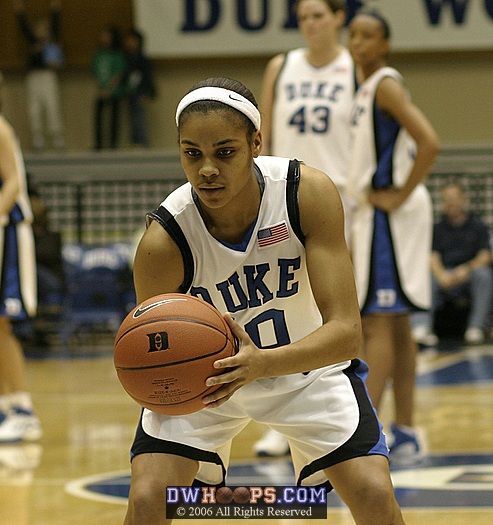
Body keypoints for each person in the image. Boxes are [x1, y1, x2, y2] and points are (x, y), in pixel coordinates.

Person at [124, 76, 406, 525]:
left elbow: (347, 335)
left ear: (257, 143)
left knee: (373, 494)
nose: (207, 169)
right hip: (208, 384)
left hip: (305, 370)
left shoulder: (305, 194)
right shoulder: (165, 240)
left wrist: (260, 364)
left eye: (225, 152)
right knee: (149, 499)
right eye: (192, 153)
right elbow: (155, 350)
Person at [254, 0, 357, 457]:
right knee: (286, 304)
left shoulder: (356, 68)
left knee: (342, 314)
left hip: (341, 203)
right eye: (303, 18)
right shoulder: (282, 65)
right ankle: (282, 417)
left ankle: (345, 408)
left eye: (318, 15)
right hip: (284, 201)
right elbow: (263, 137)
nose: (310, 24)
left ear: (339, 17)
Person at [347, 11, 440, 465]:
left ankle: (365, 431)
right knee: (398, 325)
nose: (358, 43)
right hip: (388, 211)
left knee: (377, 322)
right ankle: (406, 428)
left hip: (390, 211)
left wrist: (400, 194)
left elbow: (430, 141)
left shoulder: (384, 83)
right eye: (354, 35)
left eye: (368, 36)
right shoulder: (367, 87)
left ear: (385, 44)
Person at [0, 72, 41, 443]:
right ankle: (4, 404)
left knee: (3, 323)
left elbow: (12, 182)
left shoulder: (0, 127)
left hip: (7, 233)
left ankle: (23, 409)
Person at [413, 183, 493, 346]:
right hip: (445, 274)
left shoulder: (477, 226)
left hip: (469, 272)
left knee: (484, 276)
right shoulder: (437, 228)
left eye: (454, 199)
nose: (451, 203)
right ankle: (421, 327)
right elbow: (432, 256)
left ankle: (475, 328)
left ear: (463, 200)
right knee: (426, 280)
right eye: (447, 199)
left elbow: (485, 255)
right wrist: (441, 275)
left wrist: (466, 269)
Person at [13, 0, 65, 151]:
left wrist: (55, 7)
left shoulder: (52, 42)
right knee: (34, 109)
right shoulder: (32, 41)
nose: (42, 31)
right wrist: (20, 10)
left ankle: (57, 138)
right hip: (34, 77)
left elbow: (55, 22)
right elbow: (24, 27)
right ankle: (38, 140)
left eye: (44, 29)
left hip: (48, 76)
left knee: (52, 106)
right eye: (39, 29)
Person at [91, 26, 128, 150]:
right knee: (98, 118)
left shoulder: (117, 55)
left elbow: (119, 73)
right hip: (101, 91)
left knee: (114, 119)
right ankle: (98, 144)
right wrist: (101, 89)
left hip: (115, 92)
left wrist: (109, 89)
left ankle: (113, 144)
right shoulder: (99, 54)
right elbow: (96, 73)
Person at [124, 29, 156, 148]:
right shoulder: (127, 58)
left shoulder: (142, 59)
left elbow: (148, 77)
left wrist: (149, 92)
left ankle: (143, 142)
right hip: (131, 91)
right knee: (132, 117)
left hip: (140, 91)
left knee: (139, 117)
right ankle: (136, 141)